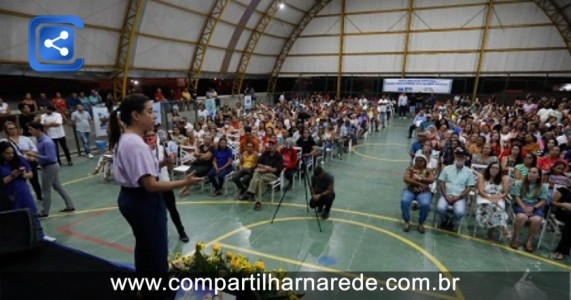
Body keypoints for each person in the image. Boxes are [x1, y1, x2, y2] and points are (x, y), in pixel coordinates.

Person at [108, 94, 201, 287]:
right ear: (135, 115)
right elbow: (150, 185)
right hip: (143, 201)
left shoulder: (125, 139)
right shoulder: (135, 144)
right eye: (150, 112)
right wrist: (184, 182)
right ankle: (157, 290)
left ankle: (145, 287)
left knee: (144, 247)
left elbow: (138, 172)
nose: (154, 116)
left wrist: (161, 163)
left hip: (131, 198)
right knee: (156, 251)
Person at [0, 141, 55, 241]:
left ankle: (41, 235)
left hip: (22, 191)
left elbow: (30, 174)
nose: (10, 155)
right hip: (8, 195)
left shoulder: (19, 159)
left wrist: (23, 174)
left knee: (32, 212)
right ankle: (22, 239)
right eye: (7, 153)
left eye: (12, 152)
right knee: (15, 217)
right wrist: (12, 176)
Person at [144, 130, 189, 243]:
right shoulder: (143, 151)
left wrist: (170, 162)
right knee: (158, 213)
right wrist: (163, 162)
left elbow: (169, 168)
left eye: (152, 135)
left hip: (164, 183)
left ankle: (181, 231)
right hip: (153, 185)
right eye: (148, 136)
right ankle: (162, 235)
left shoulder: (162, 148)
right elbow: (149, 167)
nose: (150, 138)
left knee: (173, 210)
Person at [27, 122, 75, 217]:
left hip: (49, 167)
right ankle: (70, 205)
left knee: (46, 190)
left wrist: (35, 155)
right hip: (49, 166)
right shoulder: (40, 140)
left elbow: (51, 157)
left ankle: (44, 212)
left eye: (31, 129)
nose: (29, 131)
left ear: (38, 130)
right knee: (58, 187)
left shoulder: (46, 141)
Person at [436, 149, 475, 231]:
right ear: (455, 157)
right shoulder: (447, 168)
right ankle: (444, 220)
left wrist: (459, 197)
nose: (460, 158)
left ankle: (453, 222)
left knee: (460, 212)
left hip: (459, 197)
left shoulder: (469, 172)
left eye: (462, 157)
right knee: (440, 208)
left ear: (465, 159)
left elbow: (469, 187)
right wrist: (446, 195)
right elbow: (441, 182)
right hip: (446, 194)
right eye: (458, 156)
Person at [511, 167, 548, 252]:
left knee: (536, 219)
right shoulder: (519, 183)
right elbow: (517, 197)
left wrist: (533, 208)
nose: (531, 174)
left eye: (534, 172)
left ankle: (529, 241)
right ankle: (516, 239)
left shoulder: (542, 187)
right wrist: (524, 207)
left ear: (538, 176)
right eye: (529, 172)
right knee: (521, 217)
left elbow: (542, 201)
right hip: (521, 204)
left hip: (535, 206)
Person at [3, 122, 42, 201]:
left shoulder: (25, 138)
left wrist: (28, 154)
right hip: (14, 164)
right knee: (18, 180)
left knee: (34, 179)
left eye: (14, 128)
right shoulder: (4, 141)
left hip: (29, 161)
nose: (13, 130)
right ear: (6, 130)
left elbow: (34, 149)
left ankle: (39, 195)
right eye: (10, 129)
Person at [240, 138, 283, 211]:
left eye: (272, 144)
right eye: (270, 144)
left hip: (272, 175)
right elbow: (258, 163)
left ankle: (249, 191)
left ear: (276, 146)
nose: (271, 146)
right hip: (262, 174)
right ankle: (258, 203)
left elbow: (276, 169)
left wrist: (265, 170)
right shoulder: (265, 153)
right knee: (259, 180)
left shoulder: (279, 156)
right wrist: (266, 167)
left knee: (256, 173)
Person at [475, 162, 510, 241]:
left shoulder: (503, 178)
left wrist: (497, 197)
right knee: (493, 206)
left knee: (495, 207)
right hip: (483, 197)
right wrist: (490, 198)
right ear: (489, 168)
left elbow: (505, 193)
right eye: (492, 167)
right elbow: (480, 191)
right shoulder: (481, 176)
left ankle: (490, 233)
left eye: (497, 168)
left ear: (499, 170)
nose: (494, 170)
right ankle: (504, 227)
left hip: (498, 198)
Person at [401, 154, 434, 233]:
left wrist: (419, 178)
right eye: (417, 161)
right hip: (410, 190)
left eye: (421, 161)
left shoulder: (428, 170)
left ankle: (421, 223)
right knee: (404, 201)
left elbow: (431, 180)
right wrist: (420, 183)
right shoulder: (410, 168)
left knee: (425, 204)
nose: (419, 162)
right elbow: (406, 178)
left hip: (423, 192)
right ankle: (407, 221)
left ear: (425, 162)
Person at [550, 177, 571, 260]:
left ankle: (561, 250)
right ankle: (562, 251)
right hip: (561, 212)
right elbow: (552, 202)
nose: (569, 180)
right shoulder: (563, 190)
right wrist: (563, 205)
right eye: (569, 178)